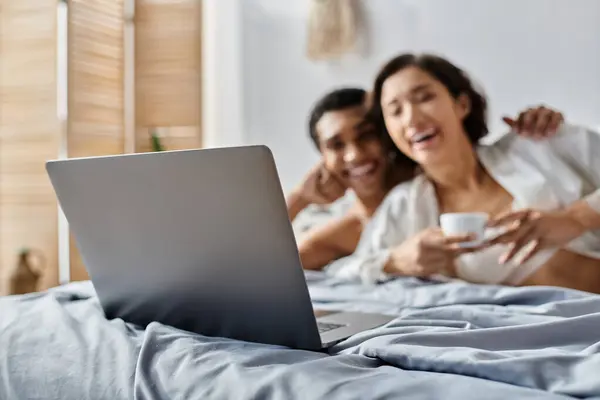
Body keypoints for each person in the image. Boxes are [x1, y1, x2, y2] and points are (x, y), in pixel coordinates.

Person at [326, 53, 600, 294]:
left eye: (424, 98)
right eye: (395, 111)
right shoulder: (405, 206)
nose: (411, 118)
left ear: (462, 105)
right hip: (540, 341)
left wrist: (577, 218)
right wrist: (396, 261)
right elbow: (341, 276)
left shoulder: (537, 142)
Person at [287, 87, 567, 271]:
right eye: (336, 145)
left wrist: (537, 124)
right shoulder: (345, 231)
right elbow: (263, 274)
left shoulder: (440, 181)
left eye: (367, 135)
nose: (355, 155)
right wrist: (298, 199)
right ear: (322, 158)